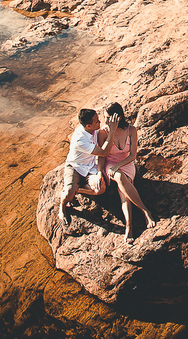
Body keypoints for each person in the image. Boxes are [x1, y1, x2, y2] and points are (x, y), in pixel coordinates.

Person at [98, 102, 157, 239]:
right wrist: (100, 171)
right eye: (104, 117)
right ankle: (143, 213)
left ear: (117, 118)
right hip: (110, 164)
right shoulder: (103, 132)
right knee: (119, 178)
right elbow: (102, 155)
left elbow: (133, 155)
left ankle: (132, 224)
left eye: (108, 118)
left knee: (123, 191)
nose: (105, 121)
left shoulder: (131, 130)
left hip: (126, 163)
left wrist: (119, 165)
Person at [57, 108, 116, 226]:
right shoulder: (80, 139)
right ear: (88, 126)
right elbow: (103, 152)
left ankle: (77, 189)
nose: (100, 123)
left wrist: (99, 172)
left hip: (89, 167)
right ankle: (62, 206)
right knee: (68, 192)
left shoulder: (93, 130)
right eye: (97, 122)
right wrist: (112, 132)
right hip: (75, 167)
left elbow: (101, 153)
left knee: (101, 189)